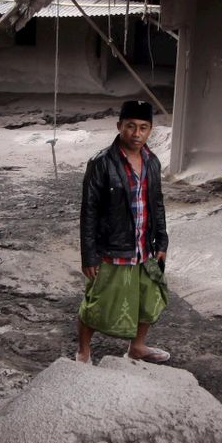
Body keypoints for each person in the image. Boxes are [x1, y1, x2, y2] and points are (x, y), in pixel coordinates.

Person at [76, 100, 170, 364]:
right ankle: (83, 352)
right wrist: (89, 255)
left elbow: (158, 203)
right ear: (119, 126)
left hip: (145, 246)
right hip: (113, 246)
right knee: (98, 302)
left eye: (143, 127)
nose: (136, 134)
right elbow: (89, 211)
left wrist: (161, 240)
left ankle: (137, 347)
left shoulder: (152, 162)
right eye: (130, 126)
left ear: (150, 130)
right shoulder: (101, 163)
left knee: (148, 299)